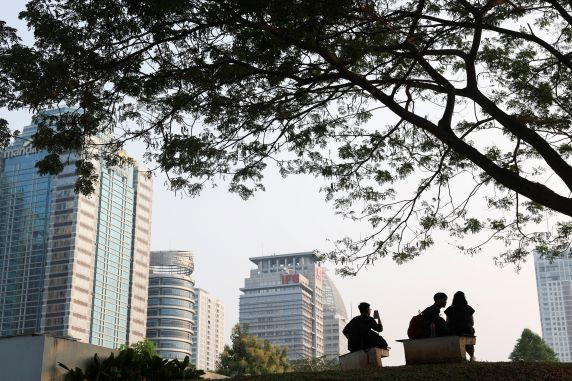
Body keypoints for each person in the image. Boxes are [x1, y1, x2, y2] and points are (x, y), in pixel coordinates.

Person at [444, 291, 476, 361]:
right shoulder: (468, 308)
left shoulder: (450, 309)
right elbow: (472, 322)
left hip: (454, 332)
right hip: (467, 331)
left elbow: (447, 323)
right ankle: (472, 356)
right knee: (471, 331)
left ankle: (461, 357)